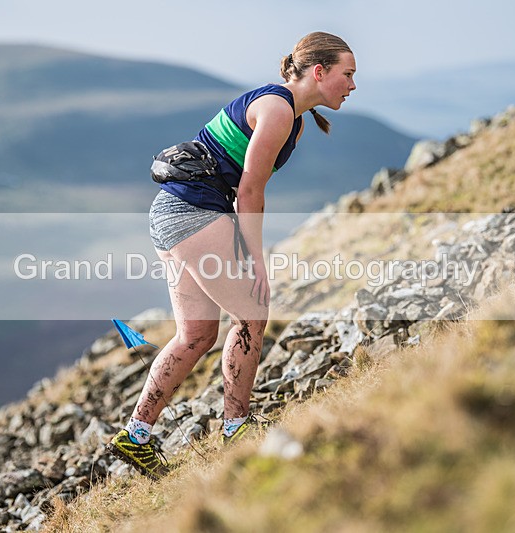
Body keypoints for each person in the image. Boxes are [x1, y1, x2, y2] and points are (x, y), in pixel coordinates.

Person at [107, 31, 356, 479]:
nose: (353, 85)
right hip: (193, 214)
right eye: (348, 74)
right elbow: (250, 190)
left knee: (196, 335)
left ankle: (136, 435)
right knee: (252, 314)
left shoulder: (292, 117)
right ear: (319, 72)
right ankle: (237, 427)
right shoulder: (278, 110)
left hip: (173, 213)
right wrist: (256, 259)